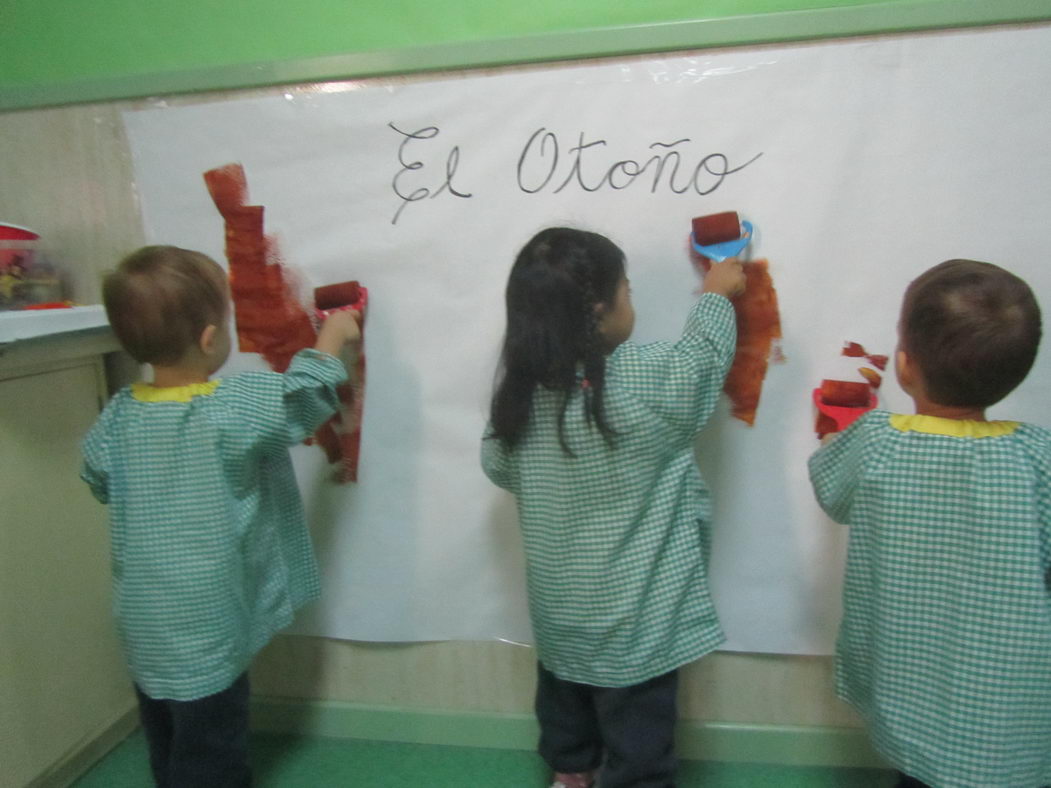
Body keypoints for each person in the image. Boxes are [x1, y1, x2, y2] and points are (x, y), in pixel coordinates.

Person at [81, 245, 360, 787]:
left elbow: (96, 478)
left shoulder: (118, 416)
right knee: (213, 754)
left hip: (145, 629)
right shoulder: (228, 407)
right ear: (212, 339)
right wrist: (332, 337)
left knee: (168, 739)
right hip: (208, 628)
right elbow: (302, 400)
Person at [481, 227, 745, 788]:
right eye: (627, 291)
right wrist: (718, 293)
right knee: (640, 748)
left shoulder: (520, 397)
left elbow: (498, 466)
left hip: (561, 618)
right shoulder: (644, 377)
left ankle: (572, 776)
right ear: (600, 311)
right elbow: (701, 360)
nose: (633, 302)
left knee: (566, 719)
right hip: (637, 628)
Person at [809, 259, 1051, 788]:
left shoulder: (877, 441)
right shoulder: (1039, 458)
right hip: (1011, 706)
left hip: (912, 690)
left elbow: (831, 491)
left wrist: (831, 437)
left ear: (904, 364)